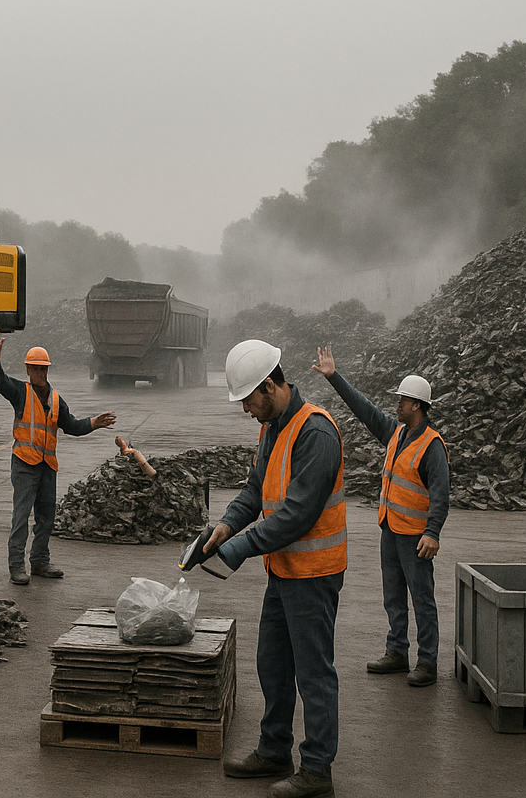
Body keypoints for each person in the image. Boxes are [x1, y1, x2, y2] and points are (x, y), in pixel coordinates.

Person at [203, 339, 345, 798]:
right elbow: (254, 491)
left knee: (314, 672)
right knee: (274, 663)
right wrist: (225, 527)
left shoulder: (316, 433)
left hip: (314, 574)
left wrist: (240, 548)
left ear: (270, 385)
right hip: (283, 570)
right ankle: (275, 749)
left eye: (248, 399)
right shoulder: (272, 427)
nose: (246, 410)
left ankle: (317, 770)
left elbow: (297, 515)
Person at [312, 346, 448, 688]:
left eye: (402, 400)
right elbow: (365, 409)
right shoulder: (396, 433)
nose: (396, 405)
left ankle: (427, 662)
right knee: (393, 596)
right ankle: (397, 652)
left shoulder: (431, 446)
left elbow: (441, 495)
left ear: (416, 405)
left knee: (422, 599)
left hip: (416, 537)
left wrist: (432, 533)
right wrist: (334, 377)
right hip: (391, 530)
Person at [0, 332, 115, 584]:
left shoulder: (56, 400)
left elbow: (72, 425)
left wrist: (94, 423)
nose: (40, 373)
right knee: (21, 516)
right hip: (24, 463)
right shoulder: (20, 392)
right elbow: (0, 382)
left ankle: (40, 562)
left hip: (47, 466)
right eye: (36, 368)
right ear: (28, 370)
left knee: (46, 517)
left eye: (43, 369)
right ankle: (16, 566)